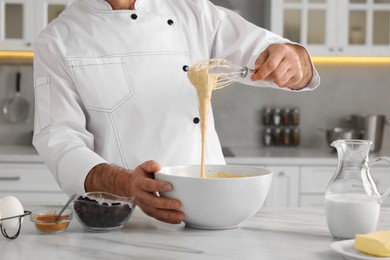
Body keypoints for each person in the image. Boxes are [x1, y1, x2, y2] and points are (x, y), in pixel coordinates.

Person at [33, 0, 320, 225]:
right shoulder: (57, 40)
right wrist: (127, 183)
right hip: (125, 219)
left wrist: (296, 62)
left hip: (215, 210)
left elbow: (274, 53)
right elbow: (59, 141)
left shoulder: (194, 12)